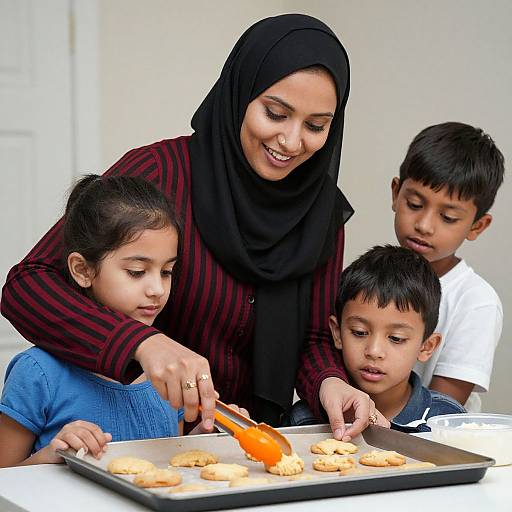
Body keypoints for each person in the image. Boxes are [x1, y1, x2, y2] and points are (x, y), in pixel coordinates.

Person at [0, 14, 384, 440]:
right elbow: (27, 285)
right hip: (142, 437)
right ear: (240, 95)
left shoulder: (320, 211)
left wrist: (330, 382)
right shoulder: (160, 173)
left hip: (242, 442)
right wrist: (140, 343)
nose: (292, 142)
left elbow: (313, 336)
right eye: (275, 113)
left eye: (316, 126)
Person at [0, 175, 247, 468]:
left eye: (166, 272)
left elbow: (168, 463)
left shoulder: (167, 370)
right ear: (82, 270)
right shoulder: (38, 373)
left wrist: (206, 435)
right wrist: (52, 456)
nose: (157, 289)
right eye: (136, 271)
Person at [391, 122, 505, 412]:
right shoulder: (373, 276)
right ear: (395, 193)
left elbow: (443, 408)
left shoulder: (476, 302)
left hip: (433, 441)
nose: (424, 226)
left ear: (477, 226)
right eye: (415, 204)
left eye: (449, 217)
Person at [289, 245, 466, 432]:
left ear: (426, 347)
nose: (374, 351)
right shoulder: (305, 420)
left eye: (396, 338)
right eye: (359, 332)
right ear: (337, 333)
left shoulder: (448, 419)